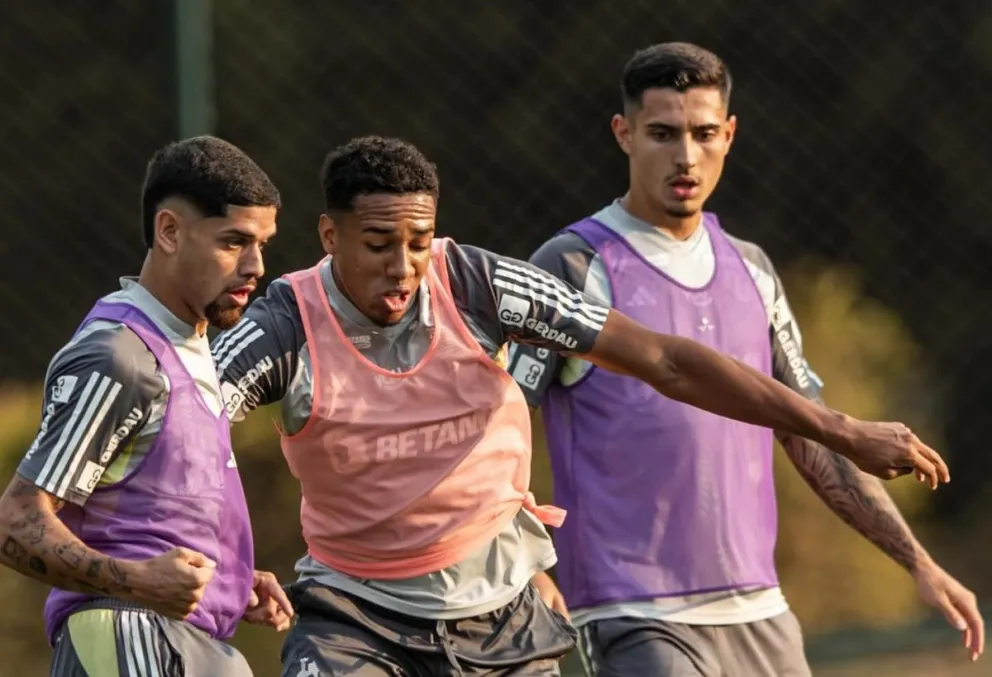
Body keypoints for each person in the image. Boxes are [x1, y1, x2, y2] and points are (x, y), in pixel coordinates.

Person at [213, 134, 948, 677]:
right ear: (329, 235)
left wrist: (841, 427)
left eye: (418, 240)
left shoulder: (484, 287)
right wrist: (228, 556)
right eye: (378, 244)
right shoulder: (284, 328)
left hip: (500, 615)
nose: (402, 266)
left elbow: (664, 359)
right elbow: (191, 428)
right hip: (354, 618)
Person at [505, 42, 984, 677]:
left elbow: (808, 432)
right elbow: (498, 427)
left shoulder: (753, 271)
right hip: (632, 613)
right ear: (623, 134)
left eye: (704, 133)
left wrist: (918, 561)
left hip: (760, 612)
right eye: (662, 133)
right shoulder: (573, 266)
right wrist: (528, 566)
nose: (685, 156)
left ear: (729, 134)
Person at [0, 135, 294, 676]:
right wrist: (139, 581)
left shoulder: (188, 344)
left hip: (187, 638)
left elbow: (149, 512)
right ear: (169, 232)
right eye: (234, 242)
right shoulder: (120, 357)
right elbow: (16, 521)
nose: (255, 266)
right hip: (127, 632)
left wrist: (230, 577)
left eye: (263, 244)